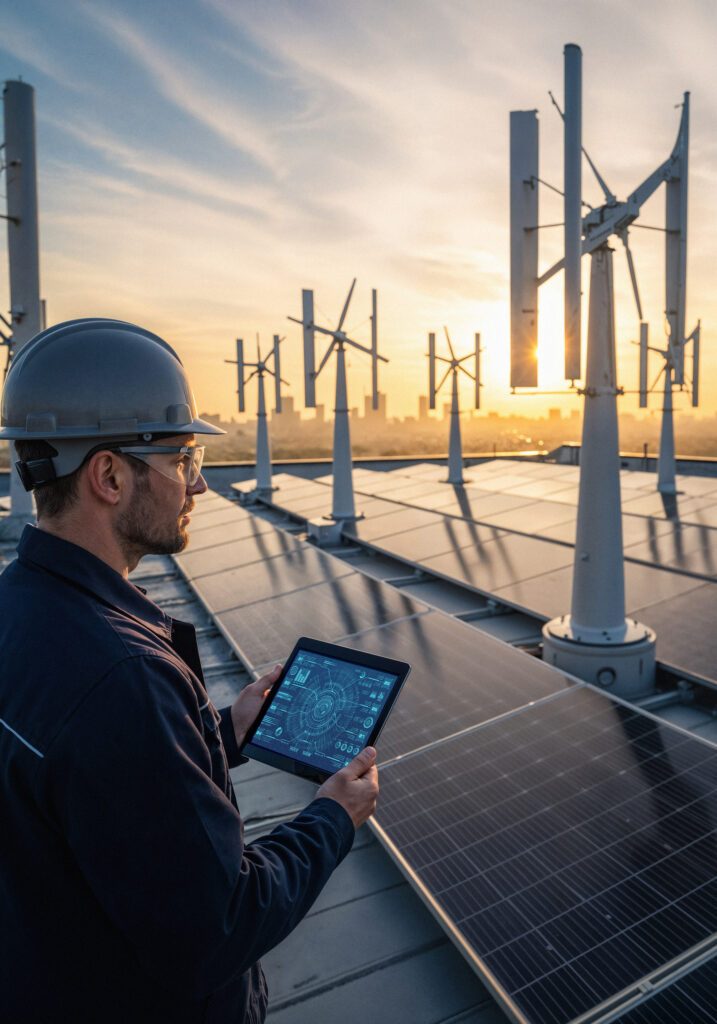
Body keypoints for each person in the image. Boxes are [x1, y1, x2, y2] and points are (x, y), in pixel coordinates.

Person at [0, 319, 379, 1024]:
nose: (199, 483)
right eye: (181, 458)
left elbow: (89, 791)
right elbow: (219, 929)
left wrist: (215, 735)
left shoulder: (17, 606)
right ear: (109, 475)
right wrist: (334, 815)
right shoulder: (124, 677)